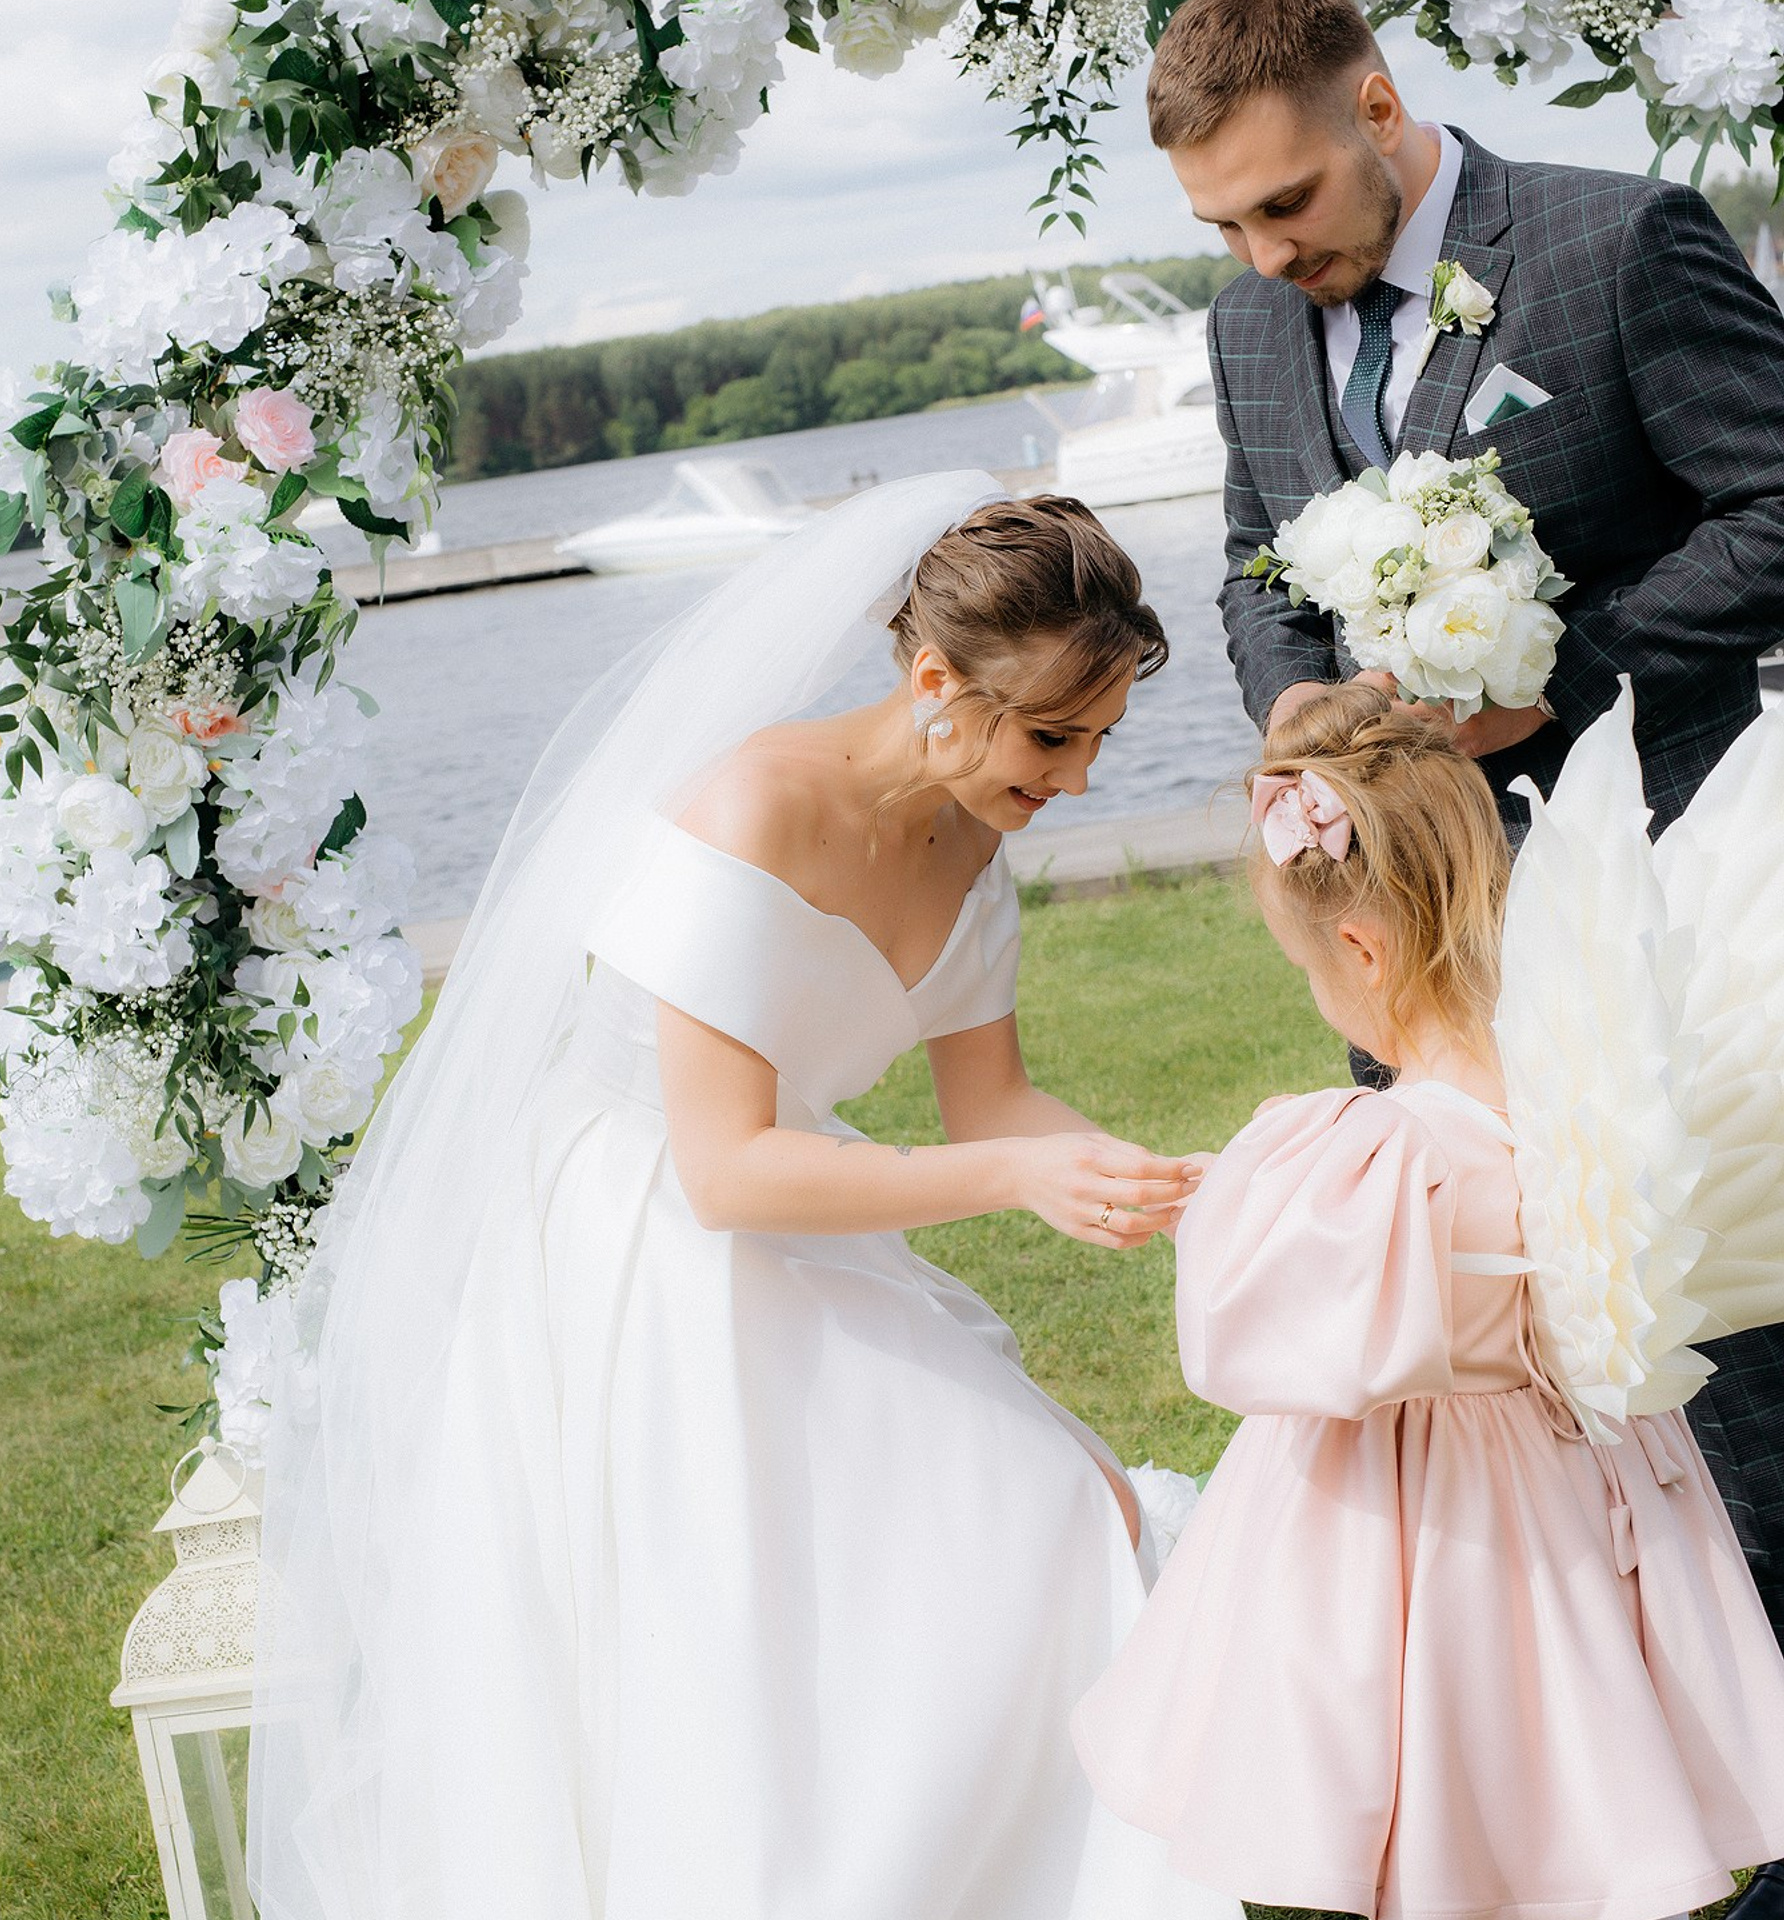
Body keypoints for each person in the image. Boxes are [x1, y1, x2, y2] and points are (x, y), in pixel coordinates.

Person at [247, 472, 1244, 1920]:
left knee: (1038, 1506)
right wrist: (1013, 1179)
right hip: (639, 1235)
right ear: (932, 680)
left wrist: (1183, 1189)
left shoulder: (977, 836)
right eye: (1052, 736)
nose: (1079, 781)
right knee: (741, 1610)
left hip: (804, 1195)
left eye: (1100, 741)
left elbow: (995, 1107)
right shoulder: (751, 807)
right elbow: (721, 1171)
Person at [1145, 1, 1784, 1808]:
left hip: (1655, 898)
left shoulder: (1613, 243)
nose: (1265, 256)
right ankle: (1625, 1782)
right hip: (1421, 959)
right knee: (1515, 1378)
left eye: (1285, 204)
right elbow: (1257, 562)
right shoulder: (1247, 324)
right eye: (1224, 226)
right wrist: (1296, 706)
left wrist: (1557, 672)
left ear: (1377, 101)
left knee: (1727, 1356)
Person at [1072, 683, 1784, 1920]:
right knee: (1575, 1763)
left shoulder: (1377, 1155)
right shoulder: (1586, 1109)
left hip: (1424, 1537)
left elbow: (1245, 1330)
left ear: (1360, 949)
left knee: (1439, 1776)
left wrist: (1243, 1194)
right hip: (1583, 1500)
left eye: (1308, 968)